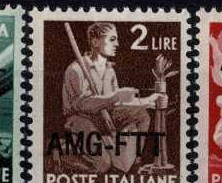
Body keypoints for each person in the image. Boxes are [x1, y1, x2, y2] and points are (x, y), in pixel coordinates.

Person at [61, 24, 159, 174]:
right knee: (103, 165)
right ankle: (63, 153)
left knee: (142, 115)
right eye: (112, 39)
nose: (117, 44)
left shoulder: (109, 70)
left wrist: (146, 101)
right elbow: (81, 105)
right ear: (95, 42)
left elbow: (116, 102)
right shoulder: (75, 69)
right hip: (81, 119)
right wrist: (115, 97)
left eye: (117, 39)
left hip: (105, 116)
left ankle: (134, 161)